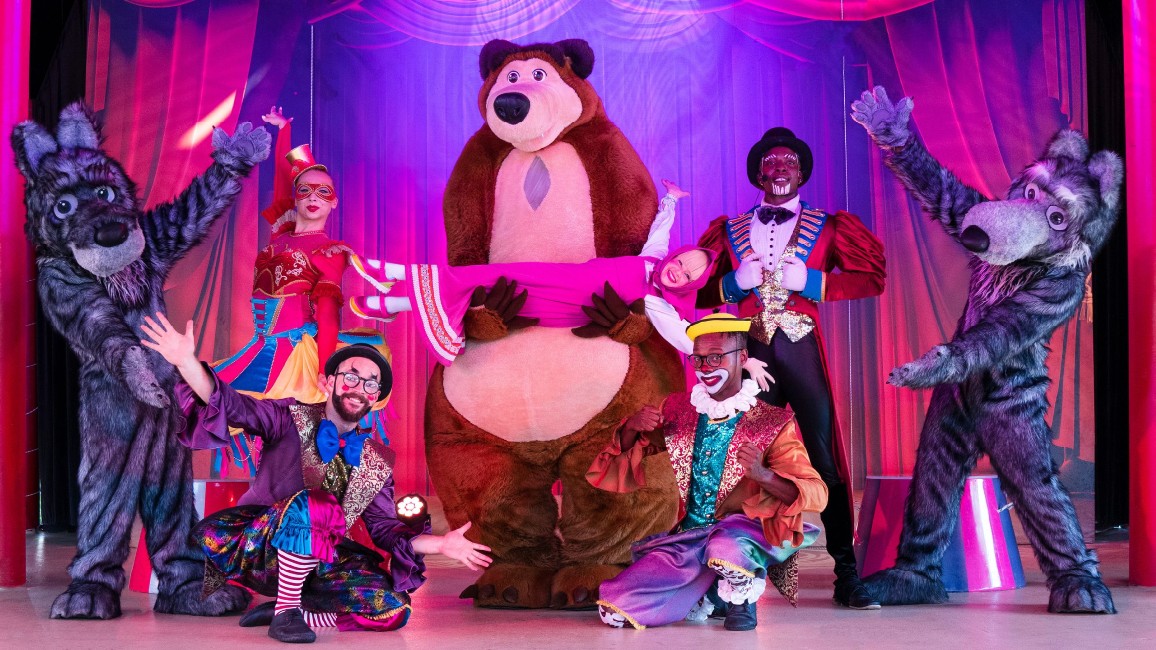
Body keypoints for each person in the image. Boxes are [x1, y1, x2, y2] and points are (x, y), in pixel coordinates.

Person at [140, 313, 491, 643]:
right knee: (317, 503)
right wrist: (185, 362)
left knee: (393, 607)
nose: (360, 387)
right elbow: (234, 406)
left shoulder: (375, 461)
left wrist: (441, 545)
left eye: (371, 384)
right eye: (352, 376)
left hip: (320, 563)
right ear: (328, 382)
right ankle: (286, 611)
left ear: (376, 398)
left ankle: (293, 610)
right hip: (260, 549)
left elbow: (386, 530)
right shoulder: (287, 417)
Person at [696, 127, 886, 610]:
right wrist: (732, 285)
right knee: (743, 457)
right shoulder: (730, 230)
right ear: (758, 173)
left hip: (802, 349)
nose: (780, 168)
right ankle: (733, 576)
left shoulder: (830, 226)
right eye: (771, 162)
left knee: (824, 455)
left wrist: (816, 282)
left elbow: (872, 277)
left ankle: (846, 574)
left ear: (802, 174)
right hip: (751, 354)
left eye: (789, 162)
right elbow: (696, 290)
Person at [348, 182, 764, 384]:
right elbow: (661, 229)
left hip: (559, 307)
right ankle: (392, 295)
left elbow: (687, 339)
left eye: (689, 276)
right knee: (481, 281)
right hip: (553, 276)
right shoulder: (652, 259)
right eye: (682, 262)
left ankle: (394, 282)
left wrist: (738, 361)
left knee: (481, 291)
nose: (679, 272)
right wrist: (671, 198)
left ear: (688, 287)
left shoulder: (657, 302)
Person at [585, 313, 827, 631]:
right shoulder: (679, 410)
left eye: (715, 357)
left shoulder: (771, 423)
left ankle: (740, 599)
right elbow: (631, 452)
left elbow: (816, 493)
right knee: (614, 609)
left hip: (740, 535)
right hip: (689, 537)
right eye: (698, 359)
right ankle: (708, 593)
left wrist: (763, 475)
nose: (705, 367)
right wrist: (632, 427)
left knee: (724, 547)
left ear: (742, 358)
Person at [210, 107, 386, 474]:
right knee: (215, 394)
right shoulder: (281, 233)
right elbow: (283, 179)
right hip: (261, 346)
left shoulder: (330, 251)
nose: (313, 196)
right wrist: (285, 132)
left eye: (324, 192)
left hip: (296, 354)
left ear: (333, 201)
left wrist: (325, 370)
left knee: (293, 437)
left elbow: (328, 313)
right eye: (305, 190)